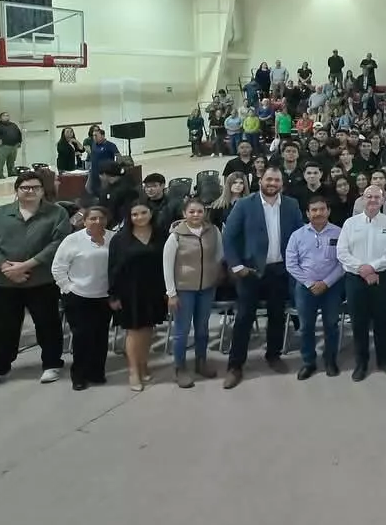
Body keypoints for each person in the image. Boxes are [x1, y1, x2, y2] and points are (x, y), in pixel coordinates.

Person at [0, 171, 71, 389]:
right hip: (1, 282)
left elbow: (59, 243)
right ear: (16, 190)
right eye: (25, 188)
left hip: (40, 281)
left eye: (35, 188)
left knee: (47, 323)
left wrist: (27, 265)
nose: (30, 192)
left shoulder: (56, 213)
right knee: (5, 327)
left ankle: (51, 363)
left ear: (42, 190)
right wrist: (5, 267)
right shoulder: (0, 214)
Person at [220, 166, 302, 388]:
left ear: (281, 183)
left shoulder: (292, 205)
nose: (272, 183)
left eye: (276, 180)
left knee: (277, 315)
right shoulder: (245, 205)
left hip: (280, 270)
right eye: (269, 179)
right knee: (245, 318)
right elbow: (228, 238)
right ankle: (235, 365)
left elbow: (299, 236)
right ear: (260, 180)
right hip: (251, 272)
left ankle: (273, 355)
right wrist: (237, 266)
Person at [338, 185, 386, 382]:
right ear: (362, 199)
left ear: (383, 200)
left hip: (381, 279)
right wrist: (363, 269)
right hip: (355, 279)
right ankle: (361, 363)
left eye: (377, 197)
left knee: (381, 320)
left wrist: (372, 267)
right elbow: (341, 252)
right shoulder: (350, 223)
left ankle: (384, 361)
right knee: (359, 323)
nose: (373, 200)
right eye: (369, 197)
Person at [162, 199, 225, 387]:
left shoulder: (213, 231)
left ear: (204, 213)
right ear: (184, 214)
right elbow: (167, 265)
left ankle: (201, 362)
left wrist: (215, 275)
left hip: (206, 288)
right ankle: (179, 368)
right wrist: (171, 293)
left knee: (203, 328)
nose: (196, 215)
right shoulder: (176, 236)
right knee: (182, 331)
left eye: (199, 211)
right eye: (192, 212)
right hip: (183, 290)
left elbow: (219, 255)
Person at [51, 206, 114, 391]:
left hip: (104, 296)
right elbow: (58, 267)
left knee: (101, 337)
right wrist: (68, 288)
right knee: (82, 337)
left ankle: (97, 372)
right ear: (84, 221)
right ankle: (79, 375)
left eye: (101, 218)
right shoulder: (73, 240)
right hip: (79, 296)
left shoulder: (113, 238)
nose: (97, 222)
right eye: (92, 218)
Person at [107, 200, 168, 391]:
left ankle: (144, 364)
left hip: (155, 289)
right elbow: (112, 268)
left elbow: (167, 264)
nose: (139, 217)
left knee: (148, 329)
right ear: (129, 217)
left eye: (143, 213)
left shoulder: (162, 235)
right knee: (133, 331)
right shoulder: (120, 239)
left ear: (151, 213)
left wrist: (168, 290)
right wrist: (113, 295)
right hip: (129, 291)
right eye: (135, 214)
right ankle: (133, 370)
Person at [286, 197, 345, 380]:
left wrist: (326, 282)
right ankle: (308, 362)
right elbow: (291, 264)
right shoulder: (297, 235)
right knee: (306, 327)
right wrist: (310, 283)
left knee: (331, 325)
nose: (318, 213)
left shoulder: (340, 233)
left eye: (322, 209)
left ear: (328, 211)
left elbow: (344, 262)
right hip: (305, 288)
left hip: (332, 287)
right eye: (314, 210)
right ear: (307, 213)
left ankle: (330, 361)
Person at [0, 110, 23, 178]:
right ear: (0, 117)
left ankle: (11, 172)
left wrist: (19, 142)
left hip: (13, 146)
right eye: (4, 115)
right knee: (1, 161)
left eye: (7, 115)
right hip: (2, 146)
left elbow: (19, 133)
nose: (6, 117)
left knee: (11, 161)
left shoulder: (13, 125)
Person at [85, 127, 120, 198]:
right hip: (94, 172)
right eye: (93, 135)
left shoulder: (110, 145)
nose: (94, 137)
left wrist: (115, 169)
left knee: (103, 191)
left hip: (104, 173)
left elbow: (118, 156)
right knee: (89, 188)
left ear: (103, 136)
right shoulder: (94, 145)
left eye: (96, 135)